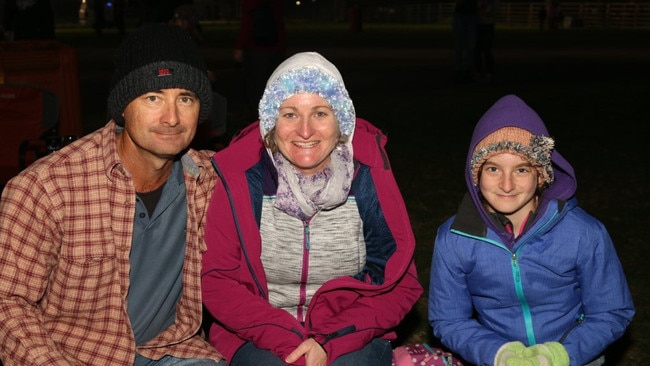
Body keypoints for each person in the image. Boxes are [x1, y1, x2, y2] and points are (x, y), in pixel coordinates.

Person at [0, 23, 225, 365]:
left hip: (171, 352)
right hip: (73, 356)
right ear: (123, 106)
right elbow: (7, 302)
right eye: (153, 97)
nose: (172, 117)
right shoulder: (47, 188)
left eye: (185, 98)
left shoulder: (212, 180)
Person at [201, 51, 423, 366]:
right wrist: (288, 340)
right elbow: (218, 279)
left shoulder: (369, 176)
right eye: (289, 114)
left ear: (342, 122)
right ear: (270, 123)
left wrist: (328, 340)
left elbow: (399, 283)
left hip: (350, 329)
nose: (305, 131)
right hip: (257, 330)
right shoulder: (241, 178)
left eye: (320, 113)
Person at [428, 94, 635, 365]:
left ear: (542, 175)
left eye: (522, 170)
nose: (506, 185)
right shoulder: (454, 238)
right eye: (493, 168)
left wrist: (558, 355)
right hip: (494, 357)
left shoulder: (584, 233)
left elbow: (612, 311)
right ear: (475, 175)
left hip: (574, 354)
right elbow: (448, 318)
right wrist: (499, 354)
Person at [234, 0, 286, 120]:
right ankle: (272, 116)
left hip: (256, 49)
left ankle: (259, 118)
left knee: (256, 87)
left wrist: (239, 46)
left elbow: (247, 23)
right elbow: (280, 22)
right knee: (272, 85)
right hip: (275, 48)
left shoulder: (251, 3)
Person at [452, 0, 478, 83]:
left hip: (470, 14)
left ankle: (465, 71)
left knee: (469, 46)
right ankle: (459, 71)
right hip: (463, 14)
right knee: (460, 46)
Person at [474, 0, 498, 83]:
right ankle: (478, 72)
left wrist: (481, 6)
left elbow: (488, 12)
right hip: (480, 25)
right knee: (478, 50)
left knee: (486, 49)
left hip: (487, 25)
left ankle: (489, 73)